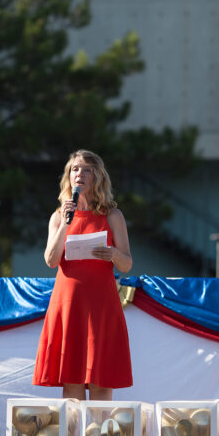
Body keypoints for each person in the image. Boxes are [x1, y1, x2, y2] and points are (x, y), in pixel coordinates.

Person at [33, 150, 133, 401]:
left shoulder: (112, 215)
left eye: (86, 169)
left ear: (97, 177)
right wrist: (67, 222)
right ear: (68, 176)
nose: (80, 174)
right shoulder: (58, 216)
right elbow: (50, 260)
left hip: (101, 304)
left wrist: (112, 253)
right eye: (75, 169)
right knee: (72, 381)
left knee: (101, 380)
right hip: (69, 304)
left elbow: (127, 264)